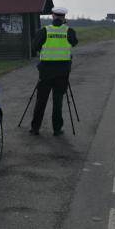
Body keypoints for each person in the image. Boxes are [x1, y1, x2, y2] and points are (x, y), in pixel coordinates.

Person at [30, 7, 78, 136]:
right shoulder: (69, 31)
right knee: (58, 101)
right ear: (63, 17)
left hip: (45, 72)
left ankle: (35, 128)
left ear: (52, 16)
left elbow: (34, 46)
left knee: (41, 100)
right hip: (62, 73)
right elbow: (74, 43)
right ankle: (57, 129)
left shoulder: (44, 31)